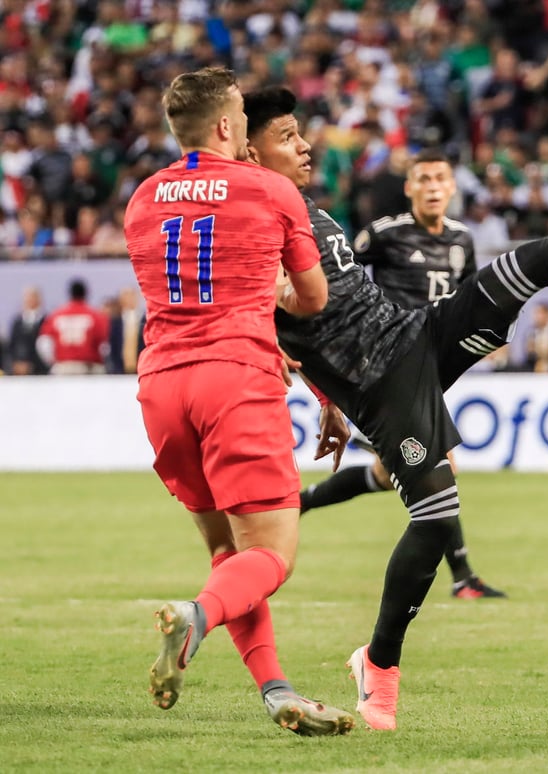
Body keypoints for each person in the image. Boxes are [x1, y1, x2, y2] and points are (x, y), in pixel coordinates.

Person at [244, 86, 548, 731]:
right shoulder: (247, 228)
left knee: (526, 267)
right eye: (287, 135)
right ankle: (378, 664)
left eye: (301, 131)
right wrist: (319, 382)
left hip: (412, 336)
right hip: (383, 384)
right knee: (435, 518)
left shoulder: (302, 208)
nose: (304, 144)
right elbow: (267, 314)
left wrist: (322, 396)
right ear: (246, 147)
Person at [122, 67, 354, 737]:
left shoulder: (143, 198)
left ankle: (277, 692)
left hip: (163, 386)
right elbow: (313, 299)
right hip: (237, 379)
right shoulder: (271, 190)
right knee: (272, 555)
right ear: (229, 126)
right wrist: (273, 294)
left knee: (232, 555)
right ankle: (195, 617)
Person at [299, 146, 506, 600]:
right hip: (385, 366)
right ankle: (464, 578)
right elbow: (338, 277)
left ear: (453, 187)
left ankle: (298, 503)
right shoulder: (385, 235)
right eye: (424, 179)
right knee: (441, 466)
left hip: (431, 367)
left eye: (440, 179)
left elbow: (469, 298)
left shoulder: (461, 239)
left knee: (380, 474)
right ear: (409, 187)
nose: (433, 188)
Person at [36, 278, 110, 374]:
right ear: (85, 293)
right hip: (88, 367)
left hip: (63, 366)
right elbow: (104, 345)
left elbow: (43, 343)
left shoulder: (56, 315)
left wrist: (53, 361)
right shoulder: (95, 316)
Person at [8, 285, 48, 375]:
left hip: (40, 369)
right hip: (20, 369)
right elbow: (12, 344)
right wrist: (16, 362)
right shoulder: (17, 322)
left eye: (32, 297)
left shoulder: (46, 321)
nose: (29, 300)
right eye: (27, 297)